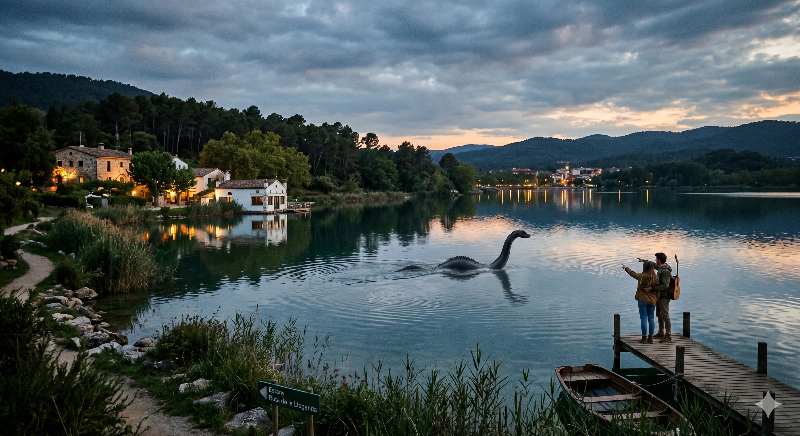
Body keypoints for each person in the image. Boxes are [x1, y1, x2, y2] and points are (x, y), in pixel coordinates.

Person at [623, 261, 659, 343]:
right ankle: (650, 338)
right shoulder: (656, 277)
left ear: (644, 267)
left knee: (643, 318)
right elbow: (658, 287)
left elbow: (633, 274)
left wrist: (626, 268)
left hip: (642, 299)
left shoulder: (642, 276)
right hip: (653, 300)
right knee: (651, 318)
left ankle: (644, 338)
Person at [653, 252, 673, 343]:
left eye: (656, 259)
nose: (655, 261)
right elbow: (655, 266)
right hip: (659, 295)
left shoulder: (665, 271)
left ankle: (668, 335)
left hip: (664, 296)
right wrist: (644, 261)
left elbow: (665, 285)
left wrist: (653, 288)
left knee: (665, 314)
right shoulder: (661, 267)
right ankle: (661, 332)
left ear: (659, 260)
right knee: (659, 314)